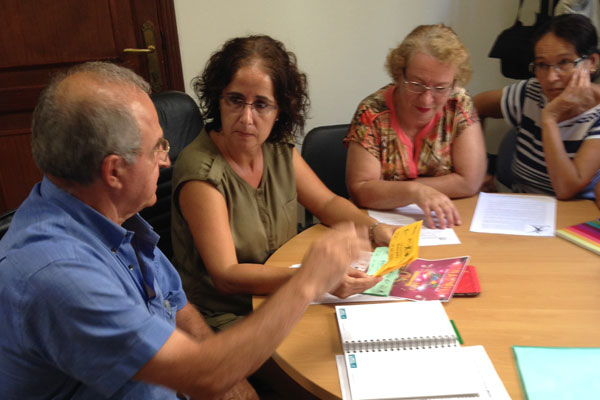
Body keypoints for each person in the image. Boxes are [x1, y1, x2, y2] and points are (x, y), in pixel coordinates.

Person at [0, 61, 361, 399]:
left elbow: (176, 305)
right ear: (114, 171)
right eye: (157, 148)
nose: (166, 161)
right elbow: (205, 374)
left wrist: (235, 385)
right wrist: (308, 281)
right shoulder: (59, 275)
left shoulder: (109, 217)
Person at [171, 35, 396, 330]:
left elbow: (326, 203)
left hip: (284, 294)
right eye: (235, 100)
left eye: (261, 104)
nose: (247, 118)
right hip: (228, 316)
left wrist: (375, 229)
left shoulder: (276, 147)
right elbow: (226, 276)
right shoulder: (201, 172)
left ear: (280, 111)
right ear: (218, 99)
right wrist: (313, 279)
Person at [344, 24, 486, 230]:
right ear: (399, 74)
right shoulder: (372, 112)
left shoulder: (458, 104)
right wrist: (414, 192)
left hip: (448, 225)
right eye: (416, 84)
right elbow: (361, 190)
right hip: (381, 227)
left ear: (454, 83)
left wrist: (392, 191)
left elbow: (469, 182)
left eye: (440, 88)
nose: (427, 99)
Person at [474, 14, 600, 200]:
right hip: (522, 204)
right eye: (542, 64)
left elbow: (565, 188)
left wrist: (549, 118)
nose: (550, 78)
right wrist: (477, 170)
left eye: (564, 62)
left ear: (592, 62)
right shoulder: (531, 92)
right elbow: (471, 107)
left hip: (573, 211)